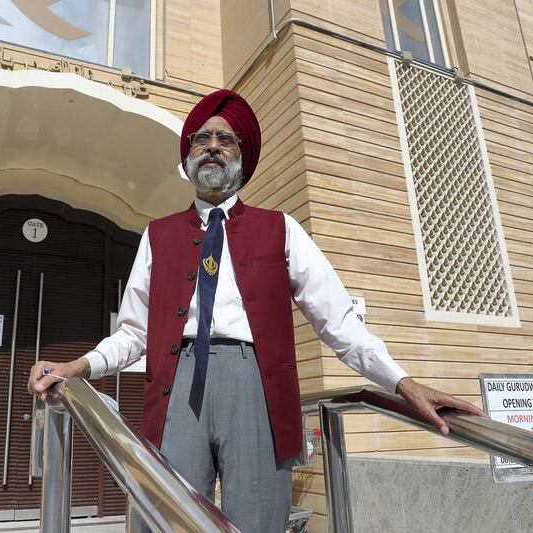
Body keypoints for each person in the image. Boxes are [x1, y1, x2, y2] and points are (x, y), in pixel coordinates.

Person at [28, 89, 484, 532]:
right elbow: (132, 334)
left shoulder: (281, 228)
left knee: (258, 521)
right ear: (187, 157)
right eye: (200, 139)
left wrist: (401, 382)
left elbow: (338, 321)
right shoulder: (157, 235)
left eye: (225, 139)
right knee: (169, 517)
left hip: (258, 391)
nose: (211, 147)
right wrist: (77, 366)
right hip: (176, 387)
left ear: (241, 159)